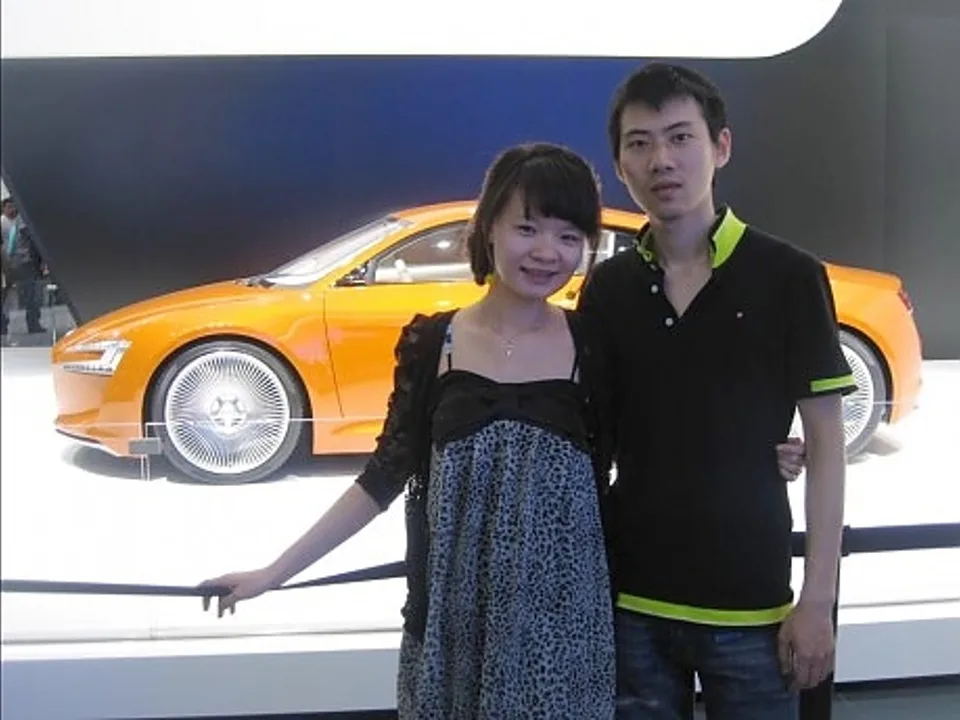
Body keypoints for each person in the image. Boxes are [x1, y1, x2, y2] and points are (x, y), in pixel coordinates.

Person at [199, 142, 807, 717]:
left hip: (566, 632)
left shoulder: (591, 345)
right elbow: (382, 477)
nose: (547, 252)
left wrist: (760, 451)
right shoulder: (433, 342)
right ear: (488, 226)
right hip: (453, 629)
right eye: (527, 228)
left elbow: (656, 439)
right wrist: (273, 573)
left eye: (568, 236)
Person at [578, 63, 854, 719]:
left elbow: (826, 444)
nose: (661, 160)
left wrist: (817, 600)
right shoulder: (608, 290)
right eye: (640, 143)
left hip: (753, 607)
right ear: (619, 165)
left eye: (681, 137)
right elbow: (592, 442)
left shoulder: (789, 276)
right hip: (632, 605)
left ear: (720, 146)